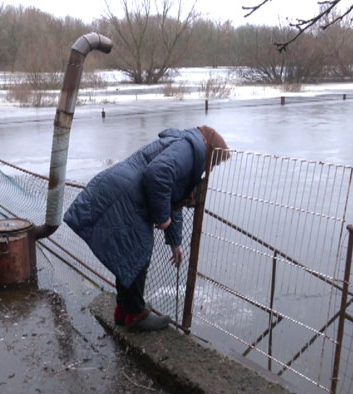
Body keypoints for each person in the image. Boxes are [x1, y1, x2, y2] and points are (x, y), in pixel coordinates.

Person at [63, 126, 229, 331]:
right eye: (215, 160)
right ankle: (136, 314)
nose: (211, 167)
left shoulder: (186, 149)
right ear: (210, 149)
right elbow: (157, 174)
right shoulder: (189, 149)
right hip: (126, 195)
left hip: (123, 191)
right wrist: (163, 219)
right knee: (137, 254)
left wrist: (175, 244)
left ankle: (124, 311)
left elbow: (172, 198)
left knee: (130, 255)